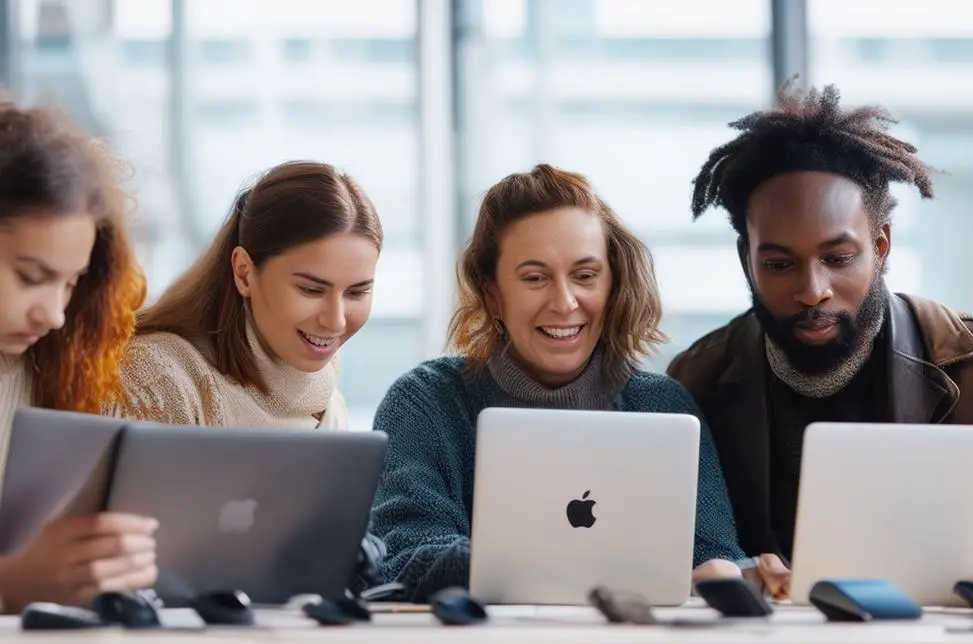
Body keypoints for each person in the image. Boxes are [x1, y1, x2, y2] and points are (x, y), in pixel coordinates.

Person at [667, 78, 973, 603]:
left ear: (881, 245)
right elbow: (678, 568)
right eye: (779, 265)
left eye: (838, 258)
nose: (811, 290)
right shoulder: (696, 383)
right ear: (746, 262)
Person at [370, 163, 747, 604]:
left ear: (613, 284)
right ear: (493, 293)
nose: (565, 302)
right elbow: (403, 558)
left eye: (585, 276)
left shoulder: (663, 405)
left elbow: (714, 554)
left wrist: (725, 571)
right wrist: (579, 564)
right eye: (534, 278)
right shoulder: (426, 402)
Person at [112, 160, 387, 590]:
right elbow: (122, 569)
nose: (335, 320)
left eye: (357, 292)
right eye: (311, 289)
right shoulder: (159, 378)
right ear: (244, 273)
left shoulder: (326, 396)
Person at [0, 99, 158, 611]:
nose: (54, 315)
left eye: (70, 284)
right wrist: (12, 582)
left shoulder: (45, 366)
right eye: (31, 277)